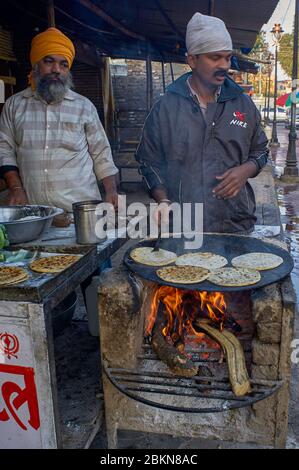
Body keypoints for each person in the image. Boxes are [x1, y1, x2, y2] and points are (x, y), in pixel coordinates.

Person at [136, 12, 269, 234]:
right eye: (215, 57)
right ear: (192, 60)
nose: (224, 65)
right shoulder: (166, 108)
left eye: (227, 57)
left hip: (236, 223)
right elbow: (148, 162)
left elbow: (261, 151)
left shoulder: (243, 105)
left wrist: (245, 171)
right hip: (185, 225)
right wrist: (162, 200)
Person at [0, 27, 118, 212]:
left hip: (81, 212)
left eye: (63, 64)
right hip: (33, 211)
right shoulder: (14, 105)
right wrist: (15, 187)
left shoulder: (83, 106)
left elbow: (101, 153)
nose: (56, 70)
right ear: (35, 64)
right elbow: (4, 149)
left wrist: (111, 191)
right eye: (49, 61)